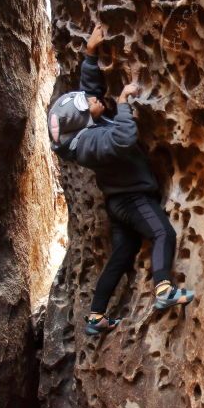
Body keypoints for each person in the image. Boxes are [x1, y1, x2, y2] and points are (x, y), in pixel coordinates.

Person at [49, 23, 194, 336]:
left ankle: (96, 316)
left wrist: (90, 53)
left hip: (117, 203)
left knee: (121, 256)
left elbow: (90, 92)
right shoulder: (91, 144)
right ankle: (163, 289)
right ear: (83, 120)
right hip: (133, 199)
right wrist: (125, 102)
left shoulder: (83, 131)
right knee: (162, 233)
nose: (93, 100)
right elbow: (125, 138)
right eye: (88, 105)